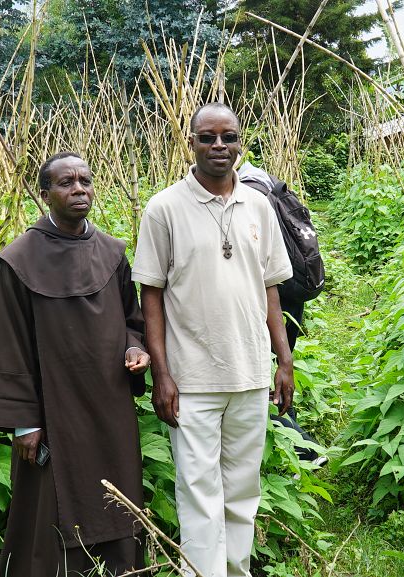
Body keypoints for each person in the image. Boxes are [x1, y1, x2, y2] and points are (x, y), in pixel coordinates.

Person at [132, 103, 294, 577]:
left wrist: (282, 362)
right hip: (192, 379)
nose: (218, 147)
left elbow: (270, 288)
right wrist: (163, 374)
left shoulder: (259, 205)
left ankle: (235, 570)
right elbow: (152, 295)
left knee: (243, 491)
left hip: (249, 373)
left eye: (228, 138)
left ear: (241, 142)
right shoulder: (164, 208)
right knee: (199, 492)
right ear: (192, 142)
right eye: (207, 138)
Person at [0, 152, 151, 576]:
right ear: (45, 195)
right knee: (51, 504)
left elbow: (133, 321)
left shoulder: (113, 253)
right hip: (52, 409)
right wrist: (24, 420)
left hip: (110, 402)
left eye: (85, 181)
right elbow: (13, 345)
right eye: (66, 183)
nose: (79, 189)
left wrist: (135, 348)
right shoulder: (17, 260)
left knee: (116, 494)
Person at [236, 159, 324, 464]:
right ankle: (296, 438)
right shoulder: (265, 180)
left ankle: (302, 449)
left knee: (264, 373)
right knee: (278, 369)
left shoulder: (247, 194)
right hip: (292, 288)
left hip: (272, 296)